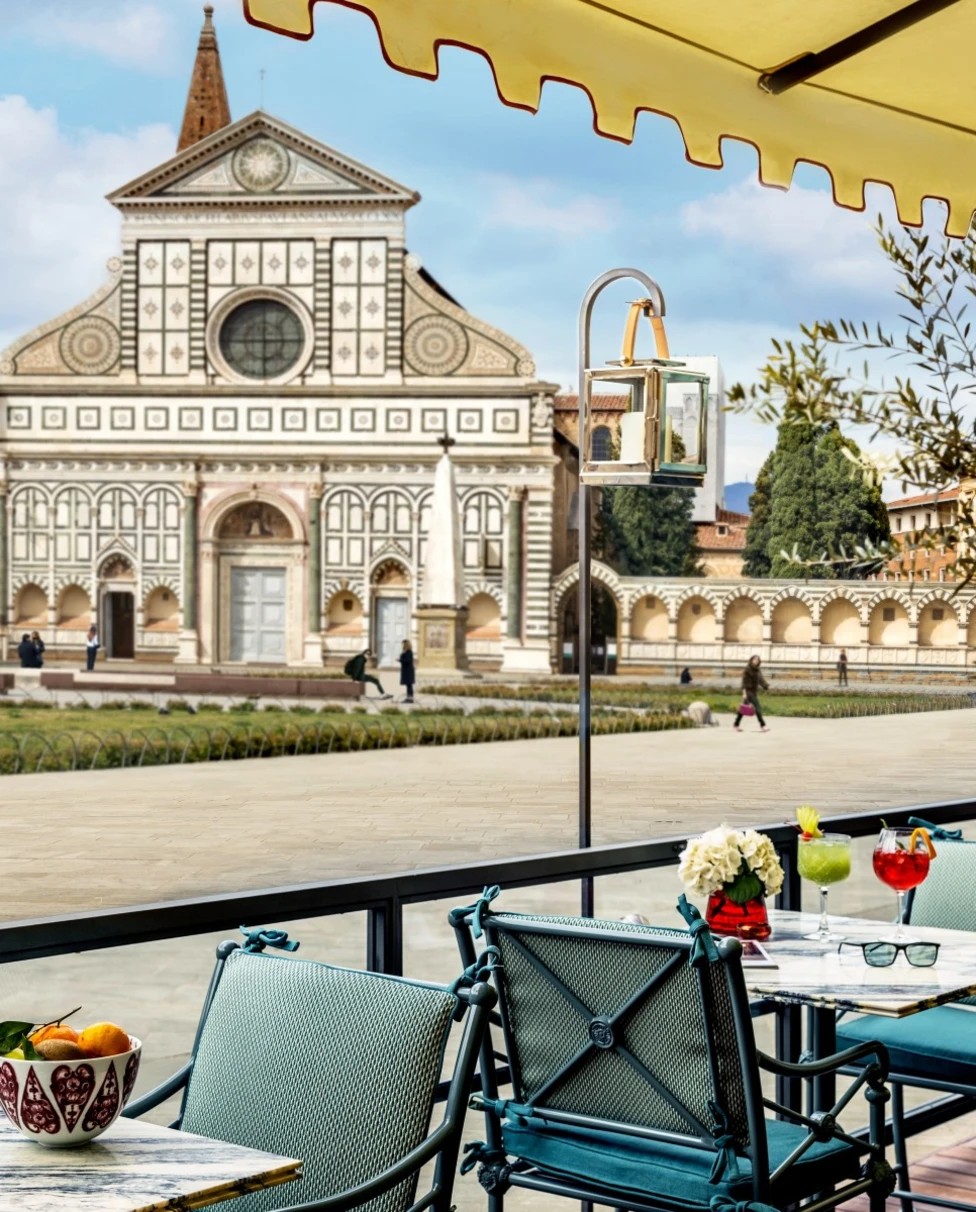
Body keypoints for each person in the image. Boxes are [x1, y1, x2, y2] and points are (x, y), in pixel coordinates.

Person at [734, 654, 770, 733]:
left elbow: (760, 679)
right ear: (751, 660)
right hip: (748, 691)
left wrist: (765, 686)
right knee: (758, 707)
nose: (756, 661)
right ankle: (762, 725)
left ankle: (736, 724)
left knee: (743, 709)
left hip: (754, 691)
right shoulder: (747, 669)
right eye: (754, 659)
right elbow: (744, 681)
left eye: (757, 660)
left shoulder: (757, 669)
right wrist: (744, 693)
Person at [398, 639, 415, 703]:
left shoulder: (409, 652)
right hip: (406, 670)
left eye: (403, 644)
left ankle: (410, 698)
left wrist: (400, 660)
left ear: (406, 644)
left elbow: (408, 660)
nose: (402, 645)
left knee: (409, 685)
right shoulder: (405, 651)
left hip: (408, 671)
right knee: (408, 685)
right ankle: (409, 697)